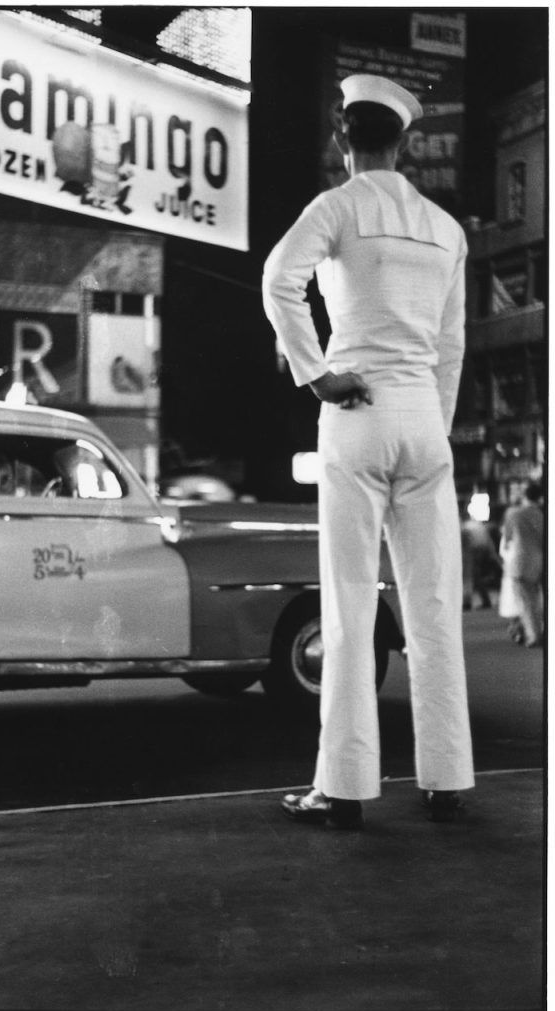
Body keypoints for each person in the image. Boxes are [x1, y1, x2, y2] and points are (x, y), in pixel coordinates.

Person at [262, 73, 475, 829]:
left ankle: (345, 788)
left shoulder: (336, 207)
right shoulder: (446, 228)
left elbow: (277, 280)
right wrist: (432, 423)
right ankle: (446, 779)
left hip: (355, 412)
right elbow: (450, 345)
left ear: (340, 137)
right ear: (405, 140)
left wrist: (317, 373)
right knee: (433, 605)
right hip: (423, 418)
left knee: (349, 602)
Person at [499, 482, 544, 647]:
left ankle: (534, 635)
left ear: (525, 496)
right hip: (540, 561)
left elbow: (507, 538)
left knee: (526, 601)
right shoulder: (542, 515)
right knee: (539, 599)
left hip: (520, 563)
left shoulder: (515, 515)